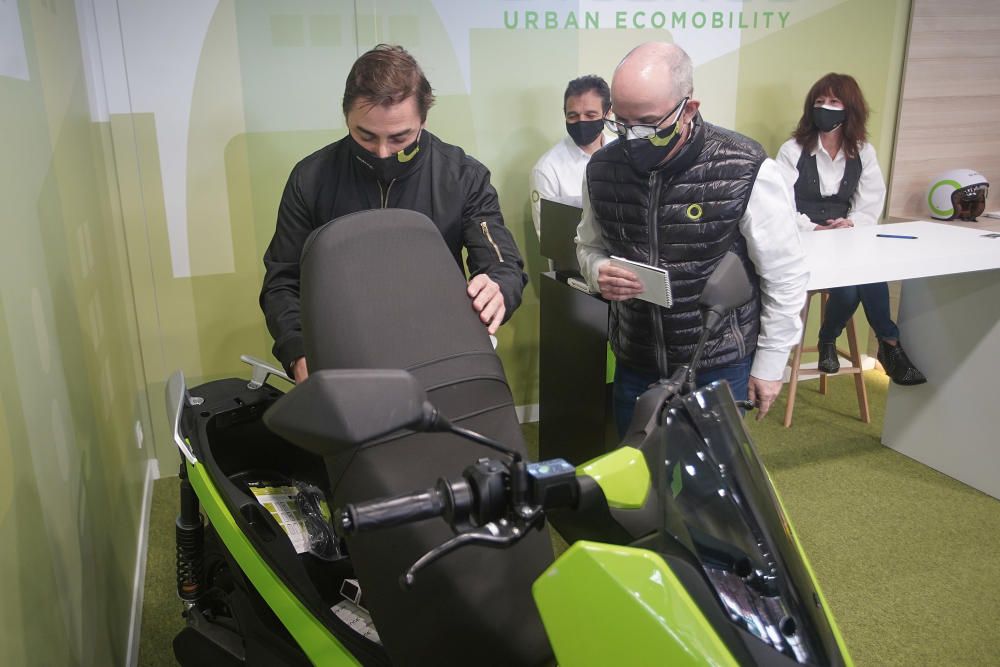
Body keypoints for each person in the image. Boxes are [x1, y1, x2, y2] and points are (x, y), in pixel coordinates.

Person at [575, 42, 808, 435]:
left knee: (711, 489)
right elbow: (587, 244)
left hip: (718, 364)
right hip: (636, 362)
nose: (633, 137)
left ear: (689, 109)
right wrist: (599, 270)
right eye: (622, 122)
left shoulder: (746, 167)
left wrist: (770, 365)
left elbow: (784, 275)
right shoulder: (602, 169)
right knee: (640, 485)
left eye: (649, 123)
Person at [260, 45, 527, 382]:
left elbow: (502, 264)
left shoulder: (463, 176)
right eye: (365, 135)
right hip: (342, 356)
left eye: (400, 137)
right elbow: (282, 281)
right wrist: (297, 352)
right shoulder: (311, 179)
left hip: (438, 353)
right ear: (346, 117)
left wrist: (498, 287)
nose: (383, 153)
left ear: (424, 120)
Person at [776, 73, 925, 386]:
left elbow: (871, 200)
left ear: (849, 109)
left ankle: (859, 340)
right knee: (848, 286)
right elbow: (779, 205)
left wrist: (851, 223)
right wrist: (814, 227)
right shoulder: (793, 150)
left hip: (845, 236)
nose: (825, 107)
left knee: (868, 274)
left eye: (833, 101)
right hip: (803, 238)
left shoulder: (862, 151)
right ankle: (884, 344)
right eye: (819, 101)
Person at [530, 75, 611, 238]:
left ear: (607, 113)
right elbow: (550, 237)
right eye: (573, 116)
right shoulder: (547, 169)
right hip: (573, 261)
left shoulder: (624, 153)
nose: (581, 122)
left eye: (590, 115)